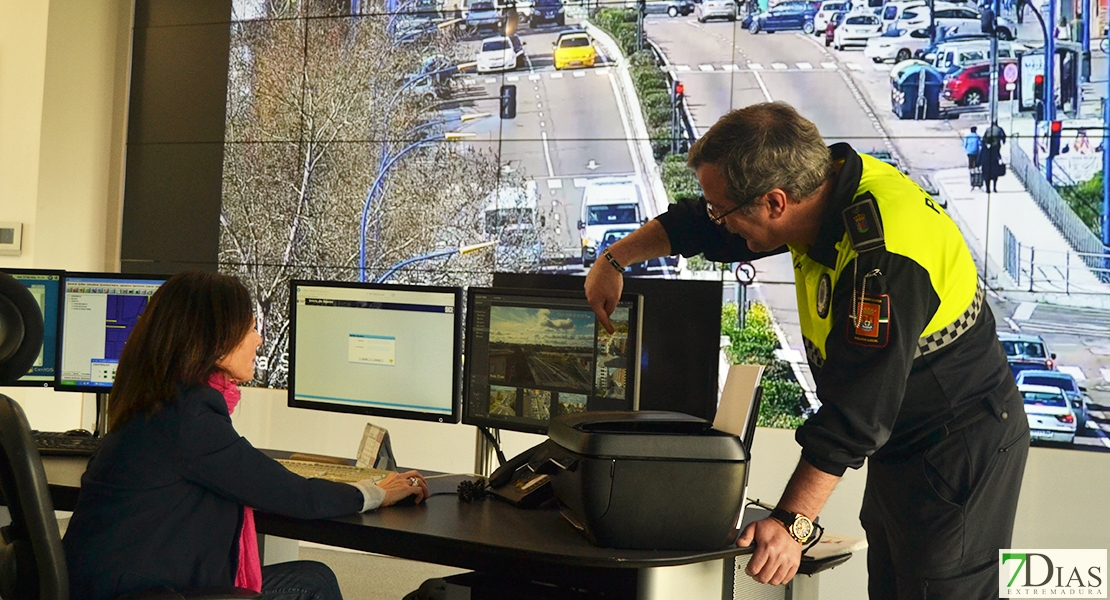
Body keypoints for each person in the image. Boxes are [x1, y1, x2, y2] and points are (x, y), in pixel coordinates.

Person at [584, 102, 1029, 598]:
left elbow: (856, 414)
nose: (720, 221)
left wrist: (791, 525)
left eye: (725, 211)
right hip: (901, 438)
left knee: (938, 588)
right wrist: (614, 259)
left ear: (775, 202)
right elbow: (701, 226)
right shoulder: (819, 192)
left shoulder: (878, 260)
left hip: (956, 444)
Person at [62, 271, 429, 600]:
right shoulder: (190, 416)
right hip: (144, 592)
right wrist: (377, 492)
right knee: (312, 583)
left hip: (111, 585)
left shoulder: (155, 402)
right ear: (216, 340)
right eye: (251, 328)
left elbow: (248, 475)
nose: (259, 339)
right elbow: (297, 497)